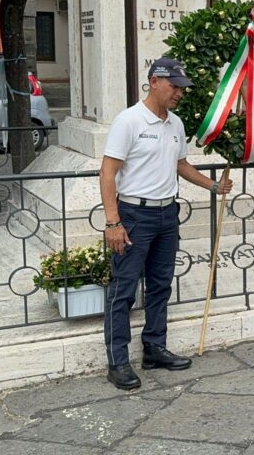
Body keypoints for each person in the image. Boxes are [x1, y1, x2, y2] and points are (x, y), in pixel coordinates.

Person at [100, 57, 232, 390]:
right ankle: (118, 362)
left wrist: (213, 186)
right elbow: (108, 172)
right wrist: (113, 222)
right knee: (123, 290)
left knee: (160, 285)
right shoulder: (129, 121)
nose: (179, 94)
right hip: (133, 215)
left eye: (182, 88)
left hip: (166, 215)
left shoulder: (176, 124)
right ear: (153, 81)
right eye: (173, 86)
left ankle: (154, 348)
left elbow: (181, 165)